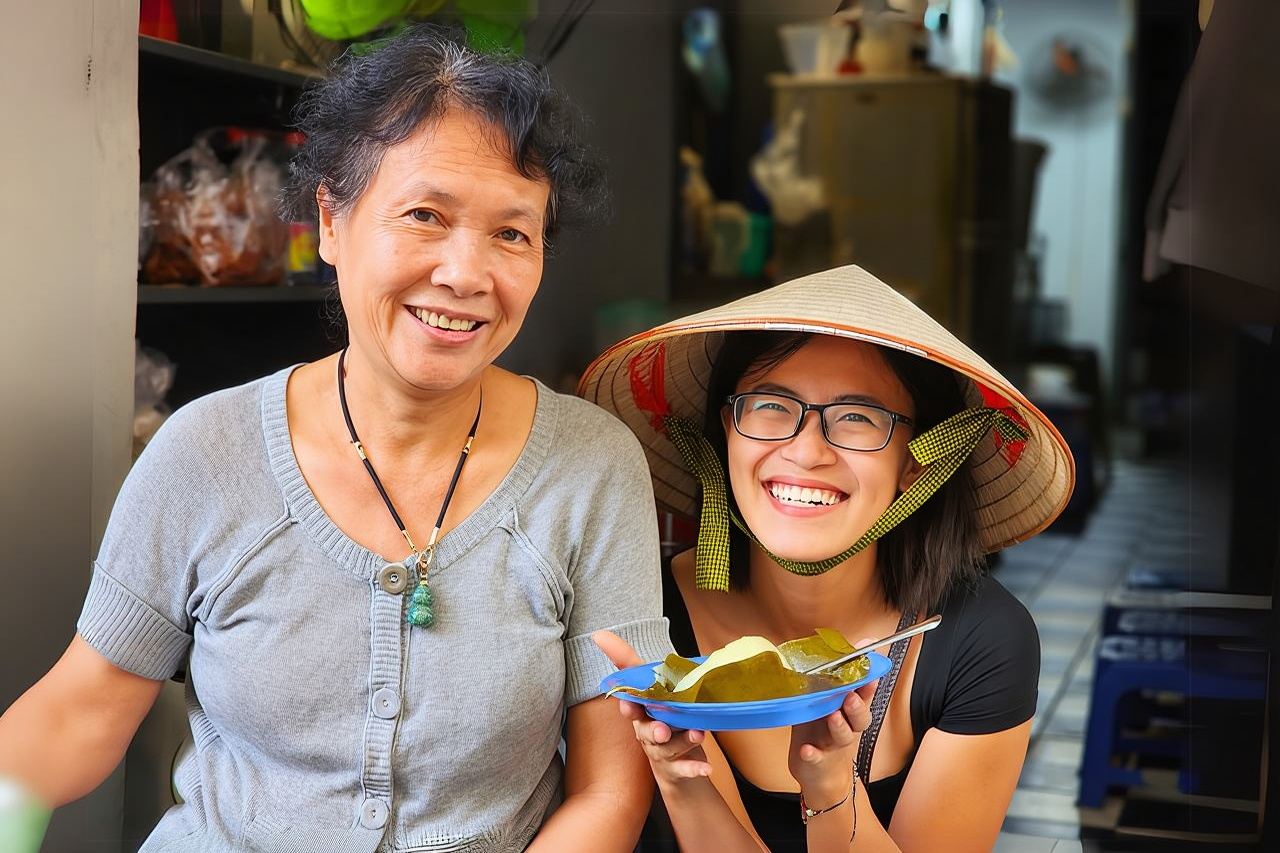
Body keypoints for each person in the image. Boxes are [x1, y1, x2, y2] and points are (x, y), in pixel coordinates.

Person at [0, 25, 671, 853]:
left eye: (512, 232)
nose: (467, 274)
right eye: (425, 214)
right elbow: (77, 712)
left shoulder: (591, 468)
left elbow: (610, 790)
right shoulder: (206, 450)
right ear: (331, 221)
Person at [582, 265, 1074, 852]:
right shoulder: (645, 614)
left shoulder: (982, 638)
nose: (806, 451)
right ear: (726, 432)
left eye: (858, 418)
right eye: (770, 406)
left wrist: (831, 786)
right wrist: (682, 779)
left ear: (918, 463)